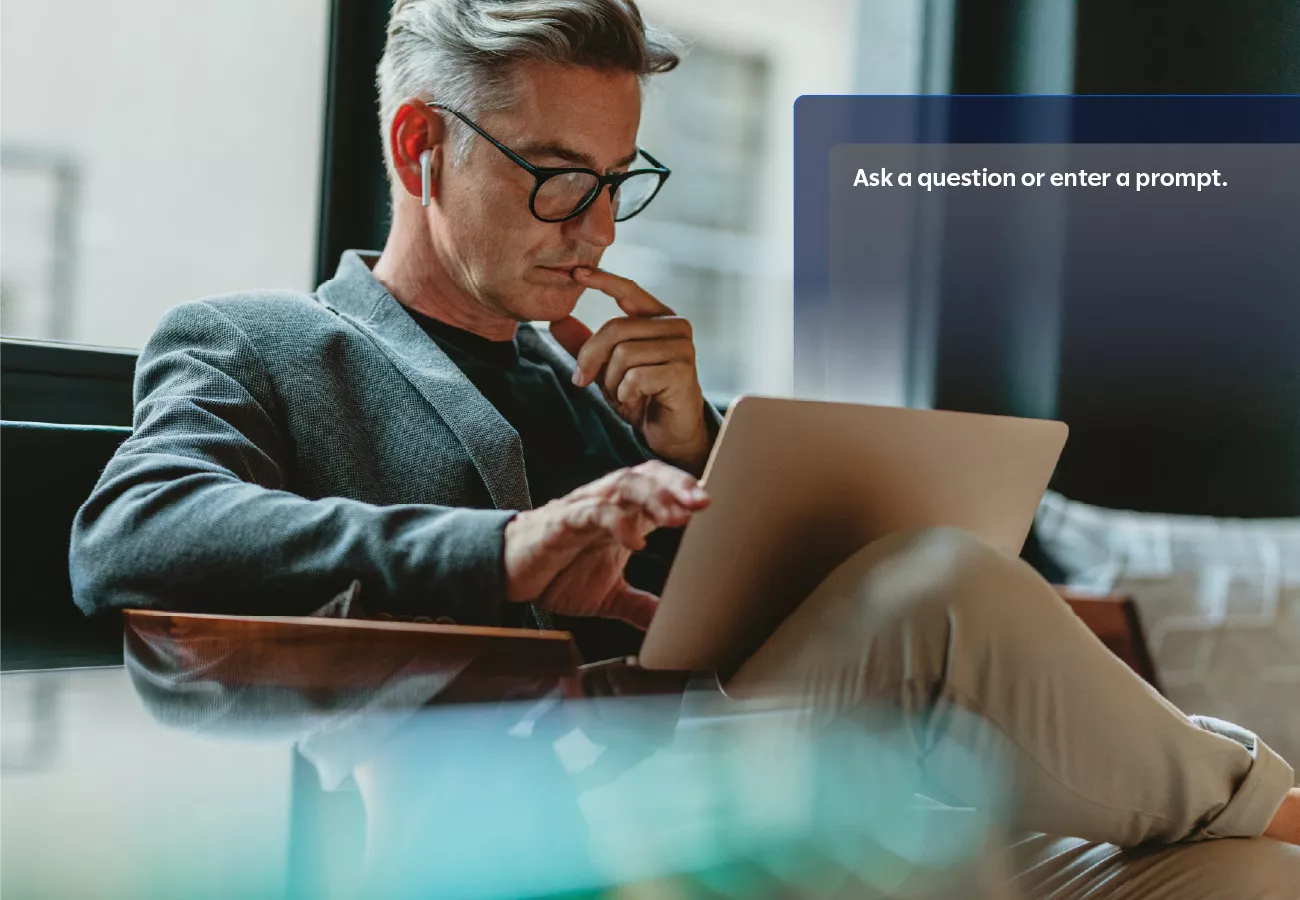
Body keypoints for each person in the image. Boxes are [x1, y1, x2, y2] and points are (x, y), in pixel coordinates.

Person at [69, 0, 1298, 895]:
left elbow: (764, 634)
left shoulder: (608, 386)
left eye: (619, 179)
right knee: (941, 586)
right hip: (559, 828)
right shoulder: (261, 343)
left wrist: (706, 448)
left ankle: (1250, 820)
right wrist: (504, 548)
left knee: (1242, 881)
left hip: (796, 797)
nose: (597, 227)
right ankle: (1268, 794)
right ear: (417, 148)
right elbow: (133, 532)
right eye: (558, 177)